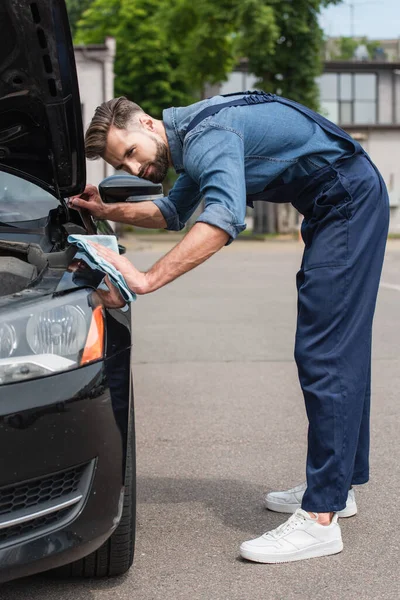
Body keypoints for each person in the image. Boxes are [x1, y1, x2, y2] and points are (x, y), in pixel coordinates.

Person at [69, 92, 389, 564]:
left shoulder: (208, 137)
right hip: (339, 201)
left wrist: (145, 279)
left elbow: (222, 217)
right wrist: (108, 210)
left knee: (326, 352)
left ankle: (322, 517)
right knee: (340, 348)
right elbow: (173, 213)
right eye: (122, 165)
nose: (134, 170)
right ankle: (338, 487)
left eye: (131, 153)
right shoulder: (191, 139)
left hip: (348, 201)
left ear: (148, 123)